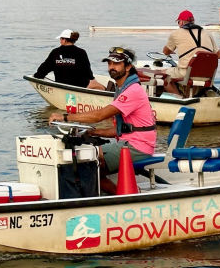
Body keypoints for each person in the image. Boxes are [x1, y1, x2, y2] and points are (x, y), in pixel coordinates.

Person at [49, 47, 156, 194]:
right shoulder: (123, 88)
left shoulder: (132, 91)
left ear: (128, 67)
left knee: (83, 166)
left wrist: (65, 117)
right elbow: (122, 128)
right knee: (85, 159)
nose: (112, 67)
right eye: (109, 63)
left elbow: (99, 116)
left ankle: (126, 196)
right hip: (132, 142)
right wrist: (94, 132)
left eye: (117, 64)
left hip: (136, 146)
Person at [161, 10, 220, 95]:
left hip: (187, 73)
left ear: (181, 22)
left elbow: (165, 51)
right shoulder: (207, 33)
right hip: (208, 75)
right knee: (194, 75)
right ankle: (193, 97)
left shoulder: (176, 33)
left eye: (178, 22)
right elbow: (219, 55)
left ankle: (179, 99)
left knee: (163, 76)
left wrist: (171, 51)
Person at [34, 30, 106, 90]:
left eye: (61, 39)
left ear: (64, 40)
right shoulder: (81, 52)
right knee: (101, 87)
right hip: (79, 83)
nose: (60, 41)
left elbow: (45, 68)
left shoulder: (55, 52)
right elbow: (87, 70)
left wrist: (38, 76)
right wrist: (92, 79)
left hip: (61, 83)